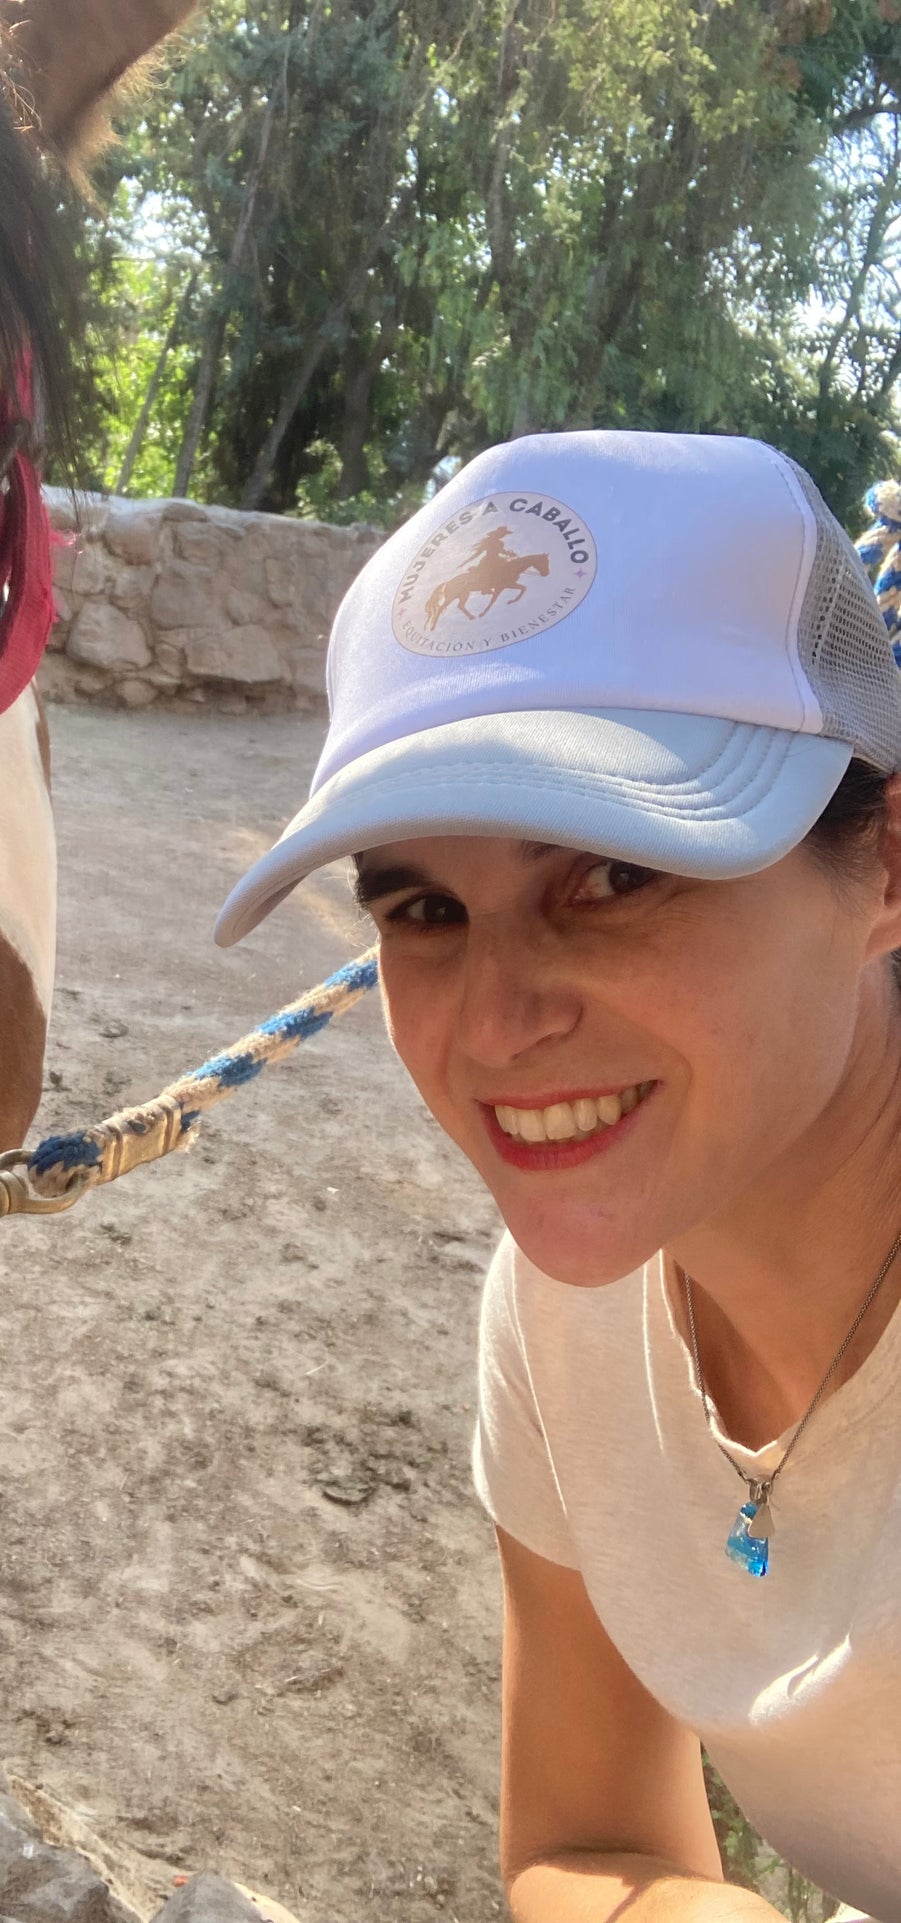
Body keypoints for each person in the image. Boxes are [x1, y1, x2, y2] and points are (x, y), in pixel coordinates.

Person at [214, 431, 901, 1922]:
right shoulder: (563, 1311)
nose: (494, 1022)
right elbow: (587, 1835)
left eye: (610, 874)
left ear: (886, 863)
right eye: (422, 907)